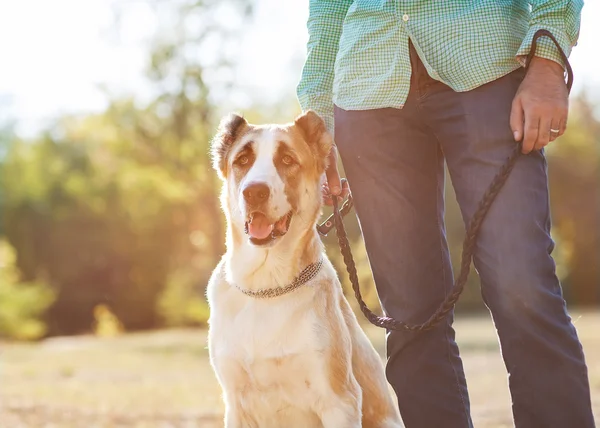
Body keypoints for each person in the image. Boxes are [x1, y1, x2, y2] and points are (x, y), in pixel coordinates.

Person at [296, 1, 595, 427]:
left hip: (486, 63)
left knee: (521, 285)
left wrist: (548, 57)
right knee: (409, 317)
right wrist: (317, 118)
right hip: (368, 88)